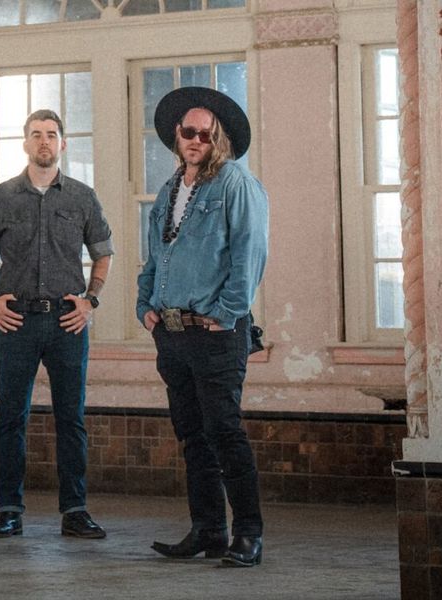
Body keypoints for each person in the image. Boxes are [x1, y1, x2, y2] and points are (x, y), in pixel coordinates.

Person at [0, 109, 113, 541]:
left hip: (68, 322)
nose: (44, 141)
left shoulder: (83, 197)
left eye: (51, 134)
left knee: (72, 418)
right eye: (36, 134)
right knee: (12, 417)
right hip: (17, 323)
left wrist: (90, 300)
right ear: (26, 144)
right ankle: (9, 510)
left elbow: (103, 251)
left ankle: (75, 511)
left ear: (62, 144)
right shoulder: (1, 198)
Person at [137, 87, 268, 568]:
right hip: (172, 334)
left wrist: (228, 312)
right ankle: (209, 529)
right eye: (188, 132)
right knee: (193, 436)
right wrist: (144, 306)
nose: (196, 140)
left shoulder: (236, 183)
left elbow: (249, 253)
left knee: (224, 433)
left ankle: (248, 535)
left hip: (217, 334)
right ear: (177, 135)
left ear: (219, 140)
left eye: (205, 135)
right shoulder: (170, 189)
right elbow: (156, 256)